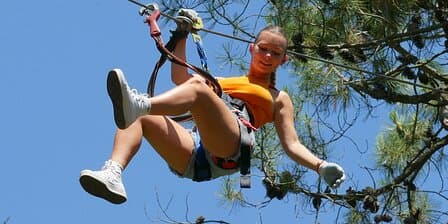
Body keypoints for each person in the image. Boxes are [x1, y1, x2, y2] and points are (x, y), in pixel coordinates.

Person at [79, 19, 346, 204]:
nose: (267, 56)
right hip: (194, 152)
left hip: (232, 145)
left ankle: (140, 105)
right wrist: (182, 34)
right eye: (263, 49)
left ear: (283, 60)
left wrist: (320, 166)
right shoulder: (222, 83)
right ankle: (113, 174)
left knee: (186, 92)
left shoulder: (278, 98)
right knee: (143, 116)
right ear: (252, 48)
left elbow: (292, 144)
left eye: (275, 53)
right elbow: (179, 76)